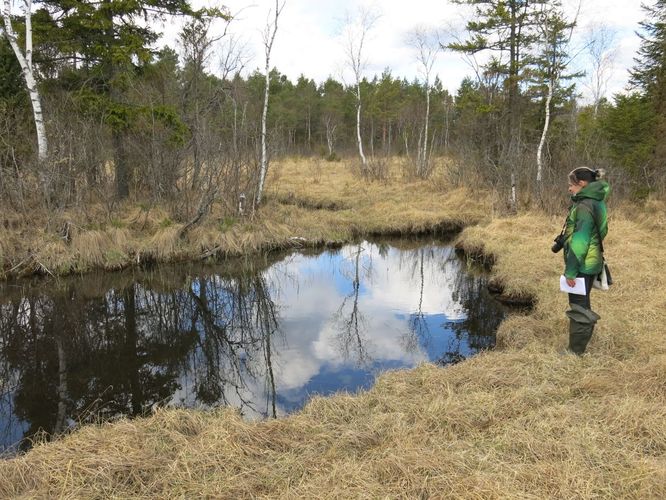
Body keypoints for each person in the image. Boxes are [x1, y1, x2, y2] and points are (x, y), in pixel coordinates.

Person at [562, 167, 610, 355]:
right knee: (583, 303)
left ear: (582, 184)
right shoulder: (598, 202)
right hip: (593, 262)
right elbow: (602, 231)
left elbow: (579, 242)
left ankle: (575, 353)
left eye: (571, 184)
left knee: (579, 308)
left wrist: (571, 272)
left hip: (581, 266)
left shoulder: (583, 207)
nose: (569, 189)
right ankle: (582, 340)